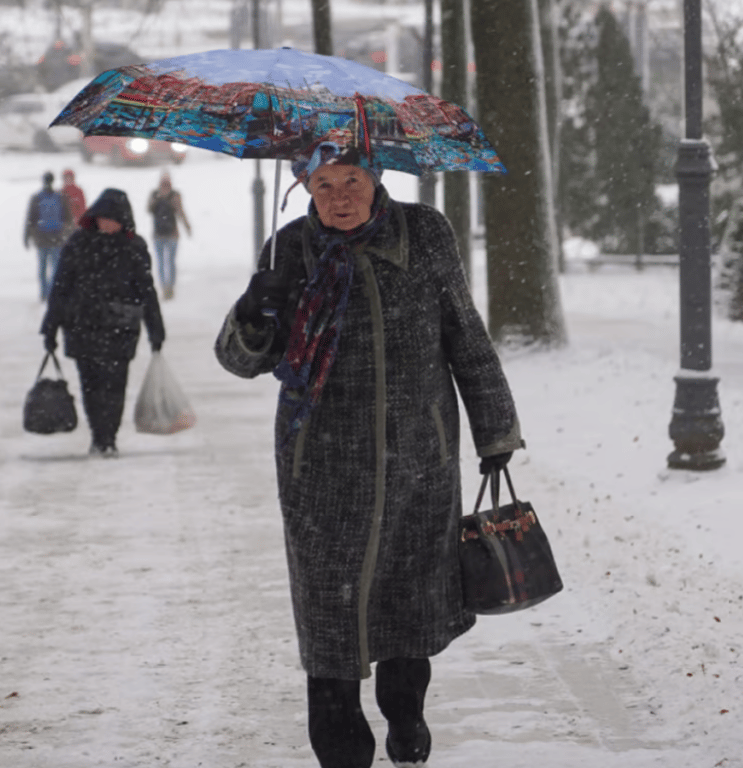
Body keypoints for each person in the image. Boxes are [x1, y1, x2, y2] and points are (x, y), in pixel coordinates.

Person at [213, 141, 524, 768]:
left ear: (376, 178)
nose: (339, 198)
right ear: (304, 187)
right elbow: (243, 361)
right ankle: (342, 748)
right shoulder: (288, 250)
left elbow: (465, 333)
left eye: (351, 180)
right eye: (323, 185)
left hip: (419, 459)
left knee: (411, 602)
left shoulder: (426, 234)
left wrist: (495, 432)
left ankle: (405, 712)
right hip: (320, 466)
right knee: (331, 614)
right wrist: (256, 310)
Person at [41, 188, 165, 457]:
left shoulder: (134, 246)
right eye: (103, 218)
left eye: (113, 219)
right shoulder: (77, 244)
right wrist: (50, 326)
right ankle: (99, 435)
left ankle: (109, 436)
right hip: (83, 329)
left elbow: (147, 291)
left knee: (115, 386)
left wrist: (156, 329)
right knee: (91, 386)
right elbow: (60, 287)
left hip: (120, 330)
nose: (108, 224)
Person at [24, 171, 73, 302]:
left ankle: (44, 293)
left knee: (42, 268)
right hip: (57, 238)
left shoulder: (36, 198)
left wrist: (27, 236)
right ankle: (52, 292)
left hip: (41, 238)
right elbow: (68, 218)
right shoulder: (60, 197)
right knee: (55, 268)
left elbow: (30, 218)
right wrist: (69, 235)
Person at [145, 171, 192, 300]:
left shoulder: (170, 196)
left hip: (165, 234)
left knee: (166, 262)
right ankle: (167, 287)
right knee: (166, 262)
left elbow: (180, 211)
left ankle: (168, 287)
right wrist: (187, 226)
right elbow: (180, 212)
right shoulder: (161, 195)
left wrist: (187, 226)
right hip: (165, 234)